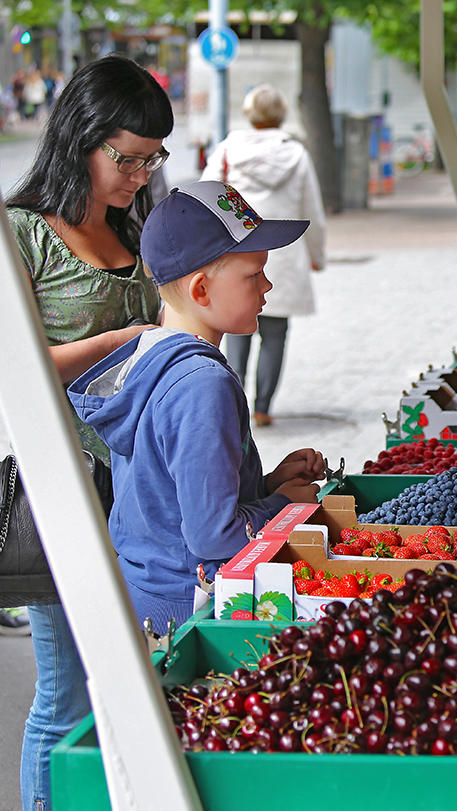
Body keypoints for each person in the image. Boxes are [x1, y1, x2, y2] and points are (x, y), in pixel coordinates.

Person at [5, 54, 173, 811]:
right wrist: (116, 342)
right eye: (128, 159)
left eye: (150, 161)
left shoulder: (131, 225)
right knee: (66, 694)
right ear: (80, 138)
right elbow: (12, 366)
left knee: (129, 682)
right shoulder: (20, 234)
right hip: (59, 488)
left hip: (134, 484)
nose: (140, 175)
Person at [68, 181, 325, 632]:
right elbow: (213, 537)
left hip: (149, 588)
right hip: (190, 606)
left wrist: (267, 484)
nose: (268, 285)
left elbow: (179, 498)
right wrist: (282, 507)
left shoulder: (152, 354)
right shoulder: (203, 385)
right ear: (201, 290)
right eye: (253, 274)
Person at [200, 84, 327, 428]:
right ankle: (263, 408)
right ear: (281, 115)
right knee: (275, 334)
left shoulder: (228, 149)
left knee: (237, 329)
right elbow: (311, 208)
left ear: (249, 115)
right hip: (283, 257)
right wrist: (317, 254)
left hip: (238, 255)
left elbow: (206, 197)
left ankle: (234, 402)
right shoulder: (296, 155)